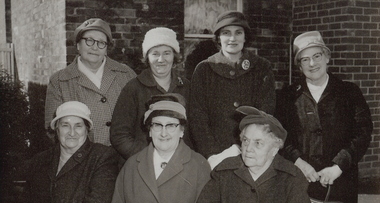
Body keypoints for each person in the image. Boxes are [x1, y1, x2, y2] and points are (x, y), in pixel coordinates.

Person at [276, 31, 373, 203]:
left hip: (341, 180)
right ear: (299, 65)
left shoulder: (349, 92)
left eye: (317, 56)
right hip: (302, 180)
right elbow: (279, 135)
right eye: (305, 59)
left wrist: (339, 165)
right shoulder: (289, 96)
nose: (312, 64)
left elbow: (363, 133)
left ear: (327, 57)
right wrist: (299, 163)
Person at [188, 10, 276, 169]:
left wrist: (248, 149)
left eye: (238, 32)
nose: (232, 38)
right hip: (214, 158)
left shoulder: (262, 68)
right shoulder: (204, 69)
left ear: (245, 37)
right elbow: (197, 117)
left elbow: (266, 111)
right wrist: (212, 155)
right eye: (226, 33)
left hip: (252, 155)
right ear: (218, 38)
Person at [45, 18, 136, 146]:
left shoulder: (126, 74)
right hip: (83, 161)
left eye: (101, 43)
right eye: (89, 40)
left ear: (106, 48)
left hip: (125, 159)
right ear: (78, 45)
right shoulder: (59, 81)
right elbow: (52, 129)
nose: (94, 47)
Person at [110, 27, 191, 162]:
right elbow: (119, 135)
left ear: (174, 56)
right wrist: (146, 158)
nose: (161, 59)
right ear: (147, 57)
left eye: (166, 53)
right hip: (144, 164)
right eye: (155, 53)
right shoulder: (133, 88)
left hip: (181, 163)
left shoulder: (186, 87)